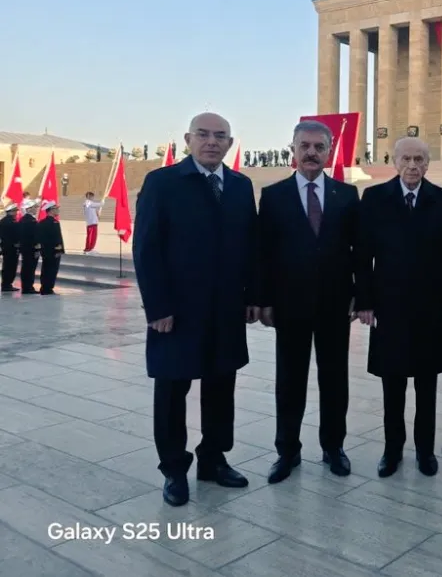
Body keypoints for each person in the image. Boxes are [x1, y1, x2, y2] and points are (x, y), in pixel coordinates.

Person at [133, 112, 259, 507]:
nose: (211, 142)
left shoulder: (240, 185)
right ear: (188, 139)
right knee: (172, 390)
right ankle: (174, 469)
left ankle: (214, 459)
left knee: (221, 387)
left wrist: (253, 295)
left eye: (220, 136)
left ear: (230, 143)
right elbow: (147, 248)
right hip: (177, 311)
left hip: (224, 310)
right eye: (203, 135)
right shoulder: (163, 182)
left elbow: (251, 247)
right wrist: (158, 306)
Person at [354, 137, 442, 478]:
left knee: (427, 386)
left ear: (428, 163)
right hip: (390, 307)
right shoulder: (374, 198)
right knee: (393, 386)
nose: (413, 165)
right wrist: (365, 302)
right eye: (406, 159)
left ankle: (425, 451)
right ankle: (392, 450)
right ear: (394, 161)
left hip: (431, 308)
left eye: (419, 159)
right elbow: (362, 255)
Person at [257, 120, 360, 484]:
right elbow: (263, 253)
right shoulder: (273, 196)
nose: (312, 153)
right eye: (305, 146)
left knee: (335, 380)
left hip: (335, 306)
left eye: (319, 147)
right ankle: (287, 451)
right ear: (294, 150)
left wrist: (360, 296)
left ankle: (334, 447)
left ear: (329, 152)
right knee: (290, 381)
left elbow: (359, 253)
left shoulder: (347, 196)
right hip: (290, 305)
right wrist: (263, 300)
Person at [37, 201, 64, 295]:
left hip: (45, 250)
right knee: (52, 270)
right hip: (53, 251)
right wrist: (59, 250)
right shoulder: (54, 222)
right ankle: (48, 288)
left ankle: (44, 287)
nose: (58, 210)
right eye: (56, 209)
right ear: (51, 210)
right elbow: (56, 238)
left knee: (45, 269)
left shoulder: (42, 222)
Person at [18, 200, 40, 295]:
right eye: (35, 207)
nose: (36, 209)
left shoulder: (22, 219)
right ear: (29, 209)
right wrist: (37, 248)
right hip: (31, 249)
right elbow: (34, 236)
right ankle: (28, 287)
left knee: (26, 267)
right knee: (30, 268)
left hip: (24, 248)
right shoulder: (31, 221)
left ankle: (25, 286)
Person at [0, 203, 19, 292]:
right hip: (11, 247)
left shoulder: (3, 220)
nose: (16, 212)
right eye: (15, 211)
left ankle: (6, 284)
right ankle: (7, 284)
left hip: (6, 247)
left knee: (7, 266)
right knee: (10, 266)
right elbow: (15, 235)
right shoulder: (11, 222)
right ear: (10, 212)